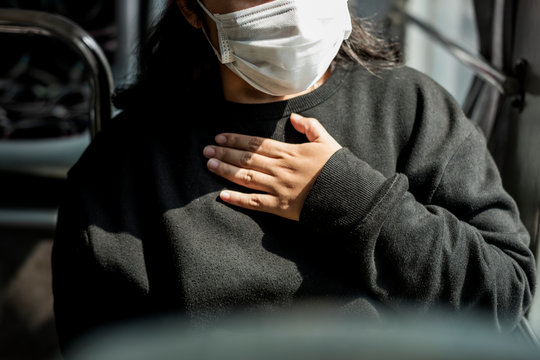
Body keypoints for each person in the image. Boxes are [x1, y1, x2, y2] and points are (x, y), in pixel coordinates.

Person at [52, 0, 536, 351]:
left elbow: (502, 299)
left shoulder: (411, 110)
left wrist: (351, 199)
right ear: (192, 10)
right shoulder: (121, 172)